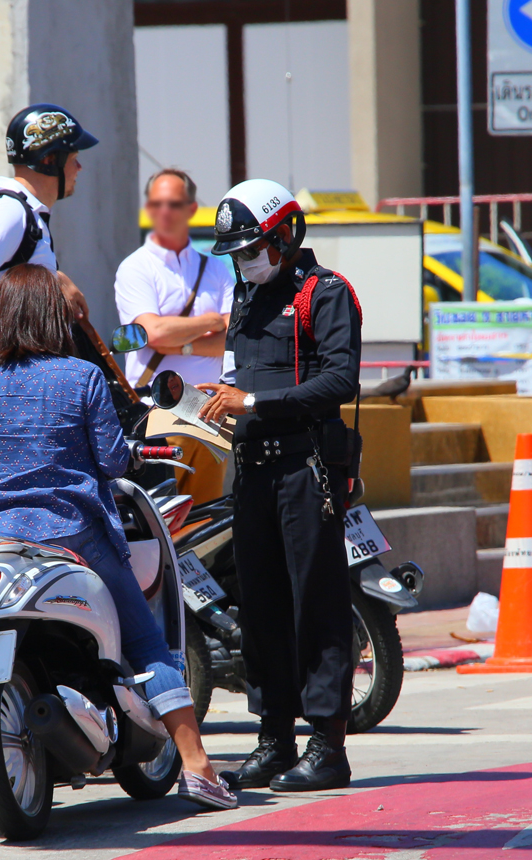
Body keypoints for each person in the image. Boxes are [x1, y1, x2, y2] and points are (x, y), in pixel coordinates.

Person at [0, 264, 238, 820]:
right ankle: (197, 767)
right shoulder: (81, 377)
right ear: (53, 315)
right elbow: (113, 460)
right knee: (145, 643)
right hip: (70, 534)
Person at [193, 179, 362, 793]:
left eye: (252, 247)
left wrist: (255, 401)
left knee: (314, 604)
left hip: (305, 467)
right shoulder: (246, 295)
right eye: (236, 252)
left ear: (287, 234)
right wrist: (214, 404)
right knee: (260, 605)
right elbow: (240, 378)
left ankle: (327, 746)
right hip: (254, 470)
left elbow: (341, 380)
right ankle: (274, 737)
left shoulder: (326, 292)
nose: (244, 260)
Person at [114, 169, 235, 504]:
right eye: (156, 203)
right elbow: (153, 332)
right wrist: (211, 320)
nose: (163, 211)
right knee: (162, 520)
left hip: (210, 413)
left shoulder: (215, 268)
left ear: (191, 209)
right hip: (157, 414)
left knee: (204, 522)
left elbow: (233, 335)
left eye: (173, 204)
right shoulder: (135, 268)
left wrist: (180, 342)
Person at [0, 104, 98, 343]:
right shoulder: (10, 210)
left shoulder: (25, 213)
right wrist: (3, 353)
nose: (79, 168)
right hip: (7, 378)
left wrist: (55, 278)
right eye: (74, 159)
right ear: (50, 160)